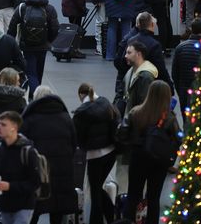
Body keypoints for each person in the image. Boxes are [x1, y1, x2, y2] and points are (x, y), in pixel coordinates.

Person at [125, 81, 181, 223]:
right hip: (159, 162)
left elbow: (121, 133)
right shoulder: (169, 118)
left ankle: (128, 220)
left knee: (133, 195)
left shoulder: (136, 112)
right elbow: (178, 138)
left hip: (138, 158)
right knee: (153, 198)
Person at [20, 86, 77, 224]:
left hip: (38, 172)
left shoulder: (29, 119)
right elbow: (74, 143)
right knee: (57, 210)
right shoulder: (65, 117)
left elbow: (22, 147)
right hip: (62, 171)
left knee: (34, 210)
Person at [0, 111, 40, 224]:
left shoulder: (27, 151)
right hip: (4, 205)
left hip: (24, 205)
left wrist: (10, 186)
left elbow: (34, 183)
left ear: (14, 127)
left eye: (3, 124)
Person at [73, 84, 119, 224]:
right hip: (111, 153)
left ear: (81, 95)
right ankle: (112, 216)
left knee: (95, 191)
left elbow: (77, 137)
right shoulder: (106, 103)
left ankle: (98, 220)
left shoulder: (81, 112)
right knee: (97, 188)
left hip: (95, 155)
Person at [7, 0, 59, 98]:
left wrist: (11, 42)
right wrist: (48, 41)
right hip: (43, 45)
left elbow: (12, 26)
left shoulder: (22, 7)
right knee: (39, 71)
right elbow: (55, 28)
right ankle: (37, 95)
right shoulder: (49, 9)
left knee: (31, 71)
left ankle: (34, 94)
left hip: (27, 45)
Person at [0, 68, 26, 155]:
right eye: (18, 80)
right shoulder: (19, 100)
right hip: (10, 139)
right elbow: (22, 120)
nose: (19, 83)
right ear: (12, 82)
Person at [172, 17, 201, 119]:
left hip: (184, 90)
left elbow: (175, 73)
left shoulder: (180, 48)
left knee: (186, 120)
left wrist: (179, 89)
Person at [122, 41, 157, 116]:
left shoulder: (146, 76)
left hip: (138, 119)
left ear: (138, 54)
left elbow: (145, 103)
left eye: (129, 53)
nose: (125, 56)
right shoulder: (130, 71)